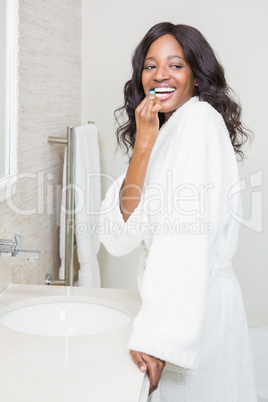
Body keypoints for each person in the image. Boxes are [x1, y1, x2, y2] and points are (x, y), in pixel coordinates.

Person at [100, 22, 257, 401]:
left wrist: (160, 338)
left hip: (192, 316)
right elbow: (117, 236)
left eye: (176, 65)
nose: (161, 75)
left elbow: (184, 236)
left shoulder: (199, 123)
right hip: (180, 308)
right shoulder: (163, 136)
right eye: (151, 65)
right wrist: (143, 143)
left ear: (197, 78)